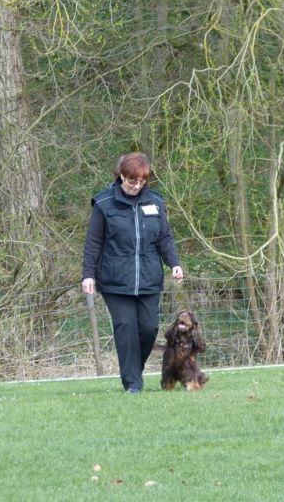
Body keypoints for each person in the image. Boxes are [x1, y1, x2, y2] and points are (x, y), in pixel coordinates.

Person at [81, 152, 183, 393]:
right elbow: (93, 242)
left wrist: (174, 263)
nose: (137, 186)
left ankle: (133, 369)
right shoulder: (104, 204)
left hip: (149, 277)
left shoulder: (156, 203)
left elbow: (164, 238)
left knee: (149, 328)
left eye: (141, 181)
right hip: (115, 280)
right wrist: (88, 275)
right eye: (132, 180)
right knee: (126, 328)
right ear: (121, 176)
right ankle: (133, 383)